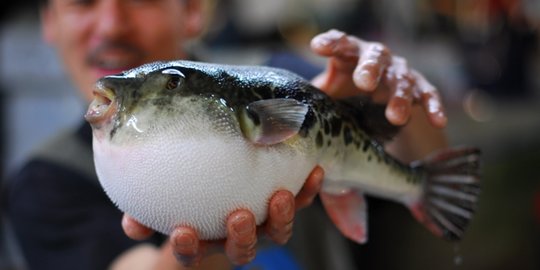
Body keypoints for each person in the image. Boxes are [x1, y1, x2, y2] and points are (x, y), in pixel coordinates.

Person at [3, 0, 448, 269]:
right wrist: (198, 255)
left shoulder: (284, 80)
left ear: (193, 10)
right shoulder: (44, 181)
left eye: (141, 0)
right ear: (50, 21)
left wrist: (393, 89)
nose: (111, 25)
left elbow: (421, 149)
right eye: (82, 2)